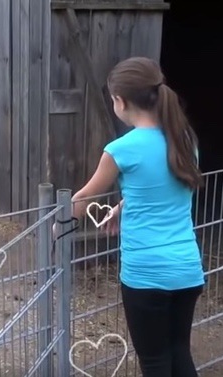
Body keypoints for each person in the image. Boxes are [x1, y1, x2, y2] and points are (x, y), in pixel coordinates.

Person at [59, 56, 206, 377]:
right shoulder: (186, 140)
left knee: (154, 362)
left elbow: (84, 197)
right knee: (179, 352)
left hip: (146, 274)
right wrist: (121, 207)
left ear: (119, 101)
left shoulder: (121, 149)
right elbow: (160, 187)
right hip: (186, 269)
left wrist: (57, 225)